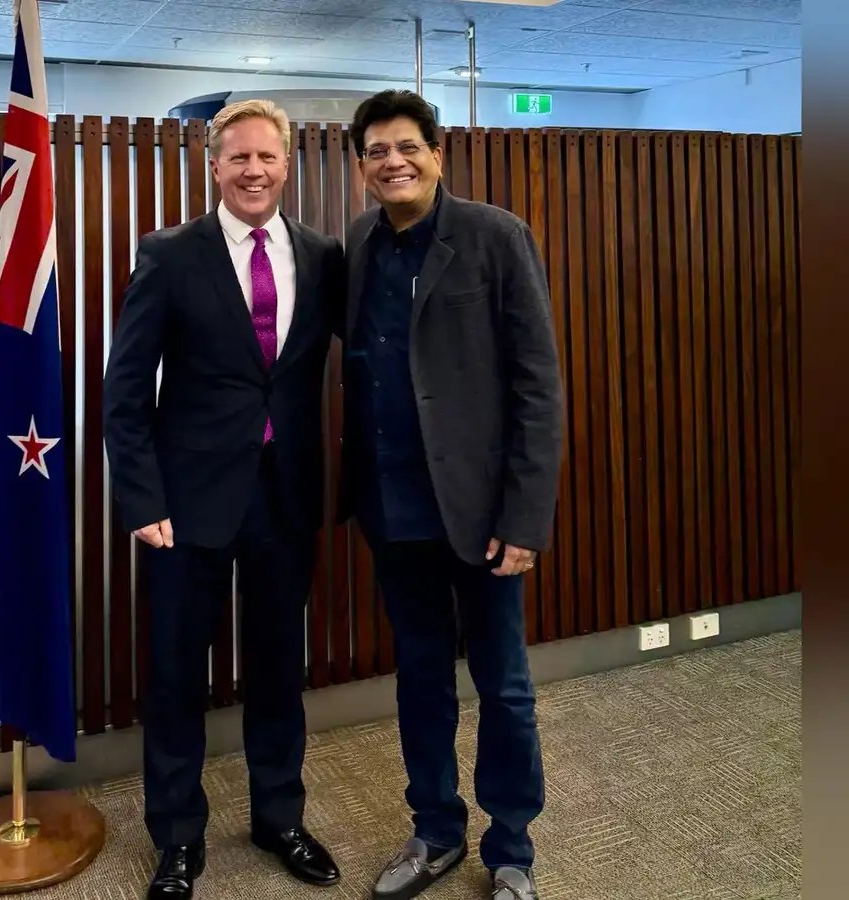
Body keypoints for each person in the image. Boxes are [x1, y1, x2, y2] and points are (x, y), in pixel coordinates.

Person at [103, 99, 344, 900]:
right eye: (237, 158)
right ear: (213, 166)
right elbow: (126, 390)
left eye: (267, 158)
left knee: (279, 669)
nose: (253, 171)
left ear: (288, 165)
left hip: (284, 501)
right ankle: (177, 838)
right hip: (186, 506)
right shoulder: (169, 255)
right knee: (176, 677)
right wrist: (140, 499)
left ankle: (279, 817)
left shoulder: (318, 254)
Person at [339, 90, 565, 900]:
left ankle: (512, 851)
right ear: (360, 166)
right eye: (376, 151)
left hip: (483, 515)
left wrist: (526, 515)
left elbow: (538, 387)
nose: (392, 162)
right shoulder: (361, 241)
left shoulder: (496, 236)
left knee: (503, 683)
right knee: (421, 678)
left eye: (407, 147)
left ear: (438, 153)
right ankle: (435, 830)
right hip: (393, 508)